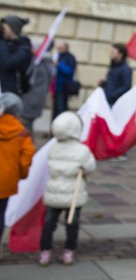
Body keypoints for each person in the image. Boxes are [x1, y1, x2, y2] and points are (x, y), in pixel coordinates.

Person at [39, 112, 96, 266]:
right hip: (73, 193)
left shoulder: (53, 148)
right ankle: (68, 253)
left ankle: (45, 253)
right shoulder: (82, 150)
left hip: (54, 192)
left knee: (49, 224)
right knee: (72, 224)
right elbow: (90, 167)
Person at [0, 93, 35, 257]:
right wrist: (20, 175)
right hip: (6, 182)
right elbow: (26, 158)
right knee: (0, 215)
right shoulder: (22, 132)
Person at [21, 42, 54, 134]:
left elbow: (30, 80)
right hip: (38, 100)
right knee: (28, 126)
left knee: (25, 127)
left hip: (30, 100)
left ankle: (28, 147)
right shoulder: (48, 64)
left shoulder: (39, 64)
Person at [0, 15, 33, 96]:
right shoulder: (5, 44)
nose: (2, 31)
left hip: (11, 93)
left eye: (4, 28)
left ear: (13, 29)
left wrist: (2, 41)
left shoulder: (24, 48)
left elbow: (8, 63)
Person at [52, 42, 77, 119]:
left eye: (61, 47)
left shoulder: (70, 58)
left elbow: (68, 71)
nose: (59, 49)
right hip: (56, 87)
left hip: (63, 88)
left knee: (61, 109)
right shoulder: (58, 56)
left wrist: (59, 65)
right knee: (55, 109)